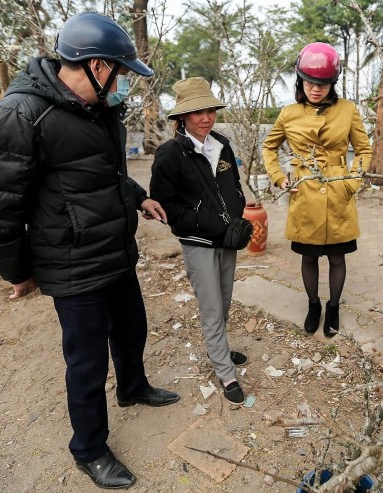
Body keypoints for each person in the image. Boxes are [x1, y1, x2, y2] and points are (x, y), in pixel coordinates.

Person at [0, 12, 179, 490]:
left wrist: (137, 195)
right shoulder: (23, 115)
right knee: (86, 360)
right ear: (98, 67)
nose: (122, 84)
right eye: (121, 73)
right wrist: (17, 271)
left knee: (131, 328)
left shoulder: (99, 111)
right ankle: (89, 448)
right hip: (70, 262)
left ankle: (133, 387)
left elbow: (97, 176)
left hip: (113, 250)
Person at [149, 77, 249, 406]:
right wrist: (208, 223)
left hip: (227, 240)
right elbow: (165, 207)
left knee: (223, 301)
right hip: (198, 243)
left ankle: (219, 348)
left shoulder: (222, 144)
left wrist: (237, 218)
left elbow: (232, 188)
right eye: (197, 112)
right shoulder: (170, 154)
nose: (205, 117)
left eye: (210, 110)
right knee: (210, 308)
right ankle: (225, 371)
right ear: (182, 117)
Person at [262, 42, 372, 338]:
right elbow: (268, 147)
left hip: (338, 189)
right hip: (304, 191)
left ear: (332, 83)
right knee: (308, 257)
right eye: (310, 82)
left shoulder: (348, 110)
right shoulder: (288, 113)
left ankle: (333, 306)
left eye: (323, 83)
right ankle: (313, 305)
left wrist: (351, 183)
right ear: (301, 80)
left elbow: (363, 150)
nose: (316, 89)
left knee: (338, 258)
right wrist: (280, 178)